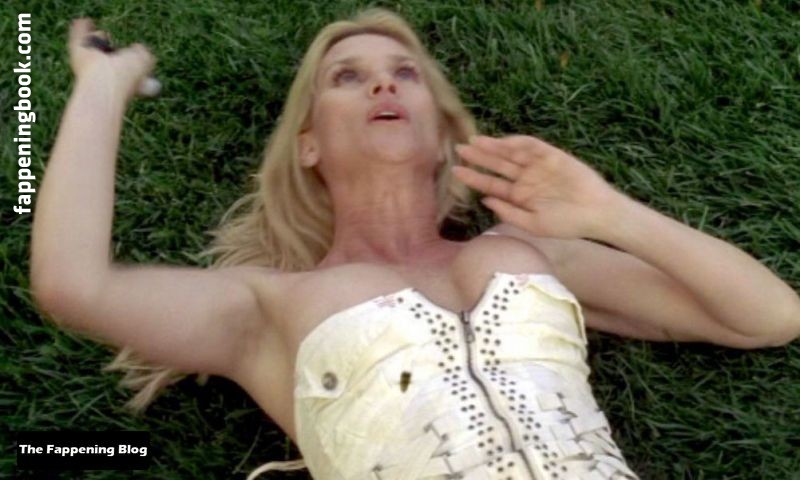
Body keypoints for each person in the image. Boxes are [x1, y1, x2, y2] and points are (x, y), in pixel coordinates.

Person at [29, 7, 800, 480]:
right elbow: (73, 285)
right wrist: (102, 86)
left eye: (406, 72)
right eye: (347, 77)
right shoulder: (265, 309)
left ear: (441, 136)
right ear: (308, 145)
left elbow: (770, 316)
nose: (384, 85)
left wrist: (609, 212)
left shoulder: (536, 253)